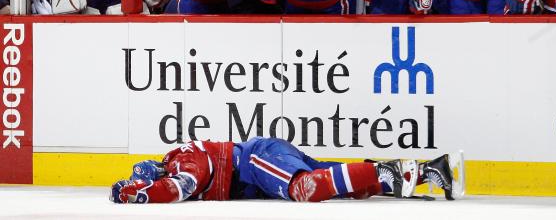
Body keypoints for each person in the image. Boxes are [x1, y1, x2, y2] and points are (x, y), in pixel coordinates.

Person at [109, 137, 457, 203]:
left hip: (256, 161)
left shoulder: (181, 159)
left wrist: (140, 195)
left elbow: (179, 187)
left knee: (307, 188)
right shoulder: (178, 161)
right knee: (339, 184)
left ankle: (389, 174)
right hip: (262, 166)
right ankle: (432, 172)